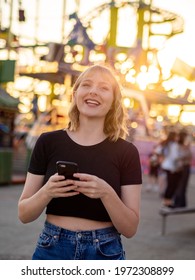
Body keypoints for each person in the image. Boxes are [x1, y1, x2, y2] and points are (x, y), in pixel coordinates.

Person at [18, 64, 142, 260]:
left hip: (104, 252)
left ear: (114, 101)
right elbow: (24, 214)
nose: (93, 91)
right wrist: (47, 191)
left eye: (104, 88)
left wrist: (106, 193)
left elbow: (130, 228)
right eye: (87, 85)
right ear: (75, 94)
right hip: (52, 249)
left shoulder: (127, 152)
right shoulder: (47, 142)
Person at [157, 131, 182, 207]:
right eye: (177, 136)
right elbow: (175, 157)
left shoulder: (166, 143)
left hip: (166, 166)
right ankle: (168, 201)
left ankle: (166, 200)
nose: (178, 138)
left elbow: (158, 151)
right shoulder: (173, 145)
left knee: (169, 184)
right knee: (172, 185)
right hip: (172, 167)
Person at [173, 131, 192, 208]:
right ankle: (179, 202)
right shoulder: (179, 146)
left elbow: (188, 156)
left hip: (184, 167)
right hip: (181, 167)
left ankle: (181, 203)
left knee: (182, 185)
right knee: (179, 185)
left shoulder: (184, 146)